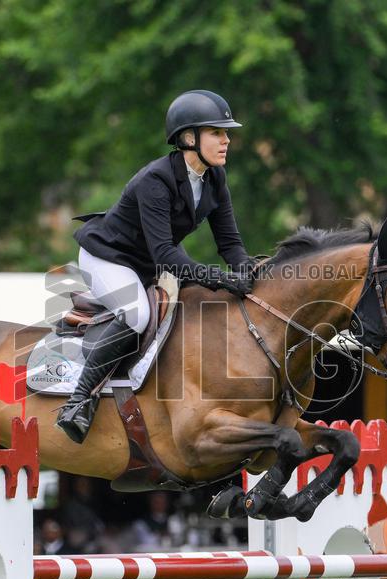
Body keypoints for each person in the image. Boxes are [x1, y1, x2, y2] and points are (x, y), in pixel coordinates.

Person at [56, 89, 256, 443]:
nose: (227, 140)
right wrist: (218, 279)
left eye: (226, 133)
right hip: (107, 257)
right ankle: (77, 401)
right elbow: (166, 254)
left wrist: (248, 271)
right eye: (217, 132)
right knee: (136, 316)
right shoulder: (156, 180)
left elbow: (230, 243)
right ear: (188, 138)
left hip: (143, 265)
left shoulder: (214, 179)